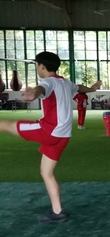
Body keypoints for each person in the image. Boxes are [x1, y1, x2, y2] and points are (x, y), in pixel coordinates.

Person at [0, 52, 101, 223]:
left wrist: (33, 94)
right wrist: (92, 88)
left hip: (49, 131)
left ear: (42, 66)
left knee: (5, 125)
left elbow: (41, 89)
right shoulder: (66, 83)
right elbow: (79, 87)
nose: (37, 69)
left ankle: (57, 211)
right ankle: (57, 212)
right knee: (46, 173)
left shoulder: (48, 82)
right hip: (63, 136)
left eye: (37, 66)